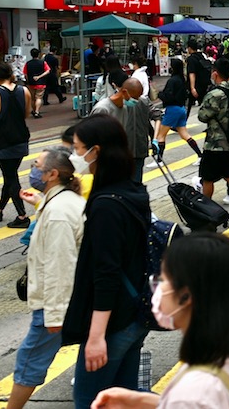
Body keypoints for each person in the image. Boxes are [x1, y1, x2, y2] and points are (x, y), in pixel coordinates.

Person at [91, 233, 229, 408]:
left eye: (163, 279)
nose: (157, 287)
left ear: (186, 296)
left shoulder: (190, 395)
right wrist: (142, 401)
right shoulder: (225, 355)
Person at [62, 114, 150, 409]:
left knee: (91, 401)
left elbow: (106, 273)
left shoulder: (105, 206)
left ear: (95, 151)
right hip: (134, 314)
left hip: (113, 323)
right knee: (122, 400)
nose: (74, 156)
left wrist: (96, 336)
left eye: (76, 148)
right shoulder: (133, 191)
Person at [7, 147, 86, 409]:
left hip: (55, 302)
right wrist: (41, 202)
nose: (33, 169)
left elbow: (60, 266)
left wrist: (52, 314)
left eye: (37, 165)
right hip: (70, 298)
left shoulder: (59, 212)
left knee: (29, 360)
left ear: (52, 174)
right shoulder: (60, 201)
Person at [0, 61, 32, 228]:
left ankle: (22, 216)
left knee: (11, 177)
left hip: (3, 140)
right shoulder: (24, 90)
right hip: (21, 138)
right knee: (10, 175)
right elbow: (26, 114)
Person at [197, 58, 229, 203]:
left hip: (215, 144)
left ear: (215, 74)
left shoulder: (215, 94)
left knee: (207, 178)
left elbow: (202, 116)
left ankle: (207, 209)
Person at [152, 58, 202, 167]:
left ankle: (159, 161)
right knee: (185, 134)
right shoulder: (181, 79)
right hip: (181, 109)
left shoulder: (172, 80)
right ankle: (200, 155)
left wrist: (159, 94)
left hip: (172, 109)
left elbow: (168, 96)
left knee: (161, 135)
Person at [187, 39, 213, 116]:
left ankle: (180, 124)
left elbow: (192, 73)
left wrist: (192, 88)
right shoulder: (202, 56)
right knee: (205, 105)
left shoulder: (191, 59)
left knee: (188, 106)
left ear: (189, 48)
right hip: (204, 84)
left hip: (196, 85)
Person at [23, 48, 49, 118]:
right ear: (38, 54)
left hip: (31, 83)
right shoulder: (43, 62)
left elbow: (25, 74)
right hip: (41, 83)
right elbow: (48, 71)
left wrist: (28, 81)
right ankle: (37, 112)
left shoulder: (27, 63)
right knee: (39, 98)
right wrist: (39, 76)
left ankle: (34, 110)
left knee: (32, 98)